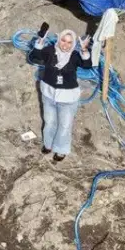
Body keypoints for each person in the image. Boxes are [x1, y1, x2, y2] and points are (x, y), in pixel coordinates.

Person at [29, 29, 93, 162]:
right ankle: (48, 144)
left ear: (73, 44)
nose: (66, 45)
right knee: (50, 122)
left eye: (70, 42)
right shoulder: (49, 51)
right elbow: (33, 57)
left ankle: (61, 149)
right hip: (49, 94)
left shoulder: (75, 55)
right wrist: (40, 41)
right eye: (63, 40)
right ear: (59, 40)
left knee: (64, 125)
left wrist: (85, 50)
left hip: (68, 98)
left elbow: (87, 65)